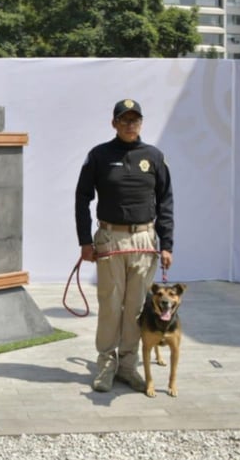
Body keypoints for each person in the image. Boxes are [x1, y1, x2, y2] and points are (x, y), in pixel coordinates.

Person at [75, 99, 173, 393]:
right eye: (124, 119)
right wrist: (84, 241)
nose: (130, 124)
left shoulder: (154, 156)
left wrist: (166, 244)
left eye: (135, 120)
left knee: (135, 308)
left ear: (141, 123)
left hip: (144, 239)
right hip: (110, 239)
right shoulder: (99, 155)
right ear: (114, 123)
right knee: (110, 306)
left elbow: (166, 201)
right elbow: (82, 198)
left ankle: (128, 366)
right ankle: (106, 364)